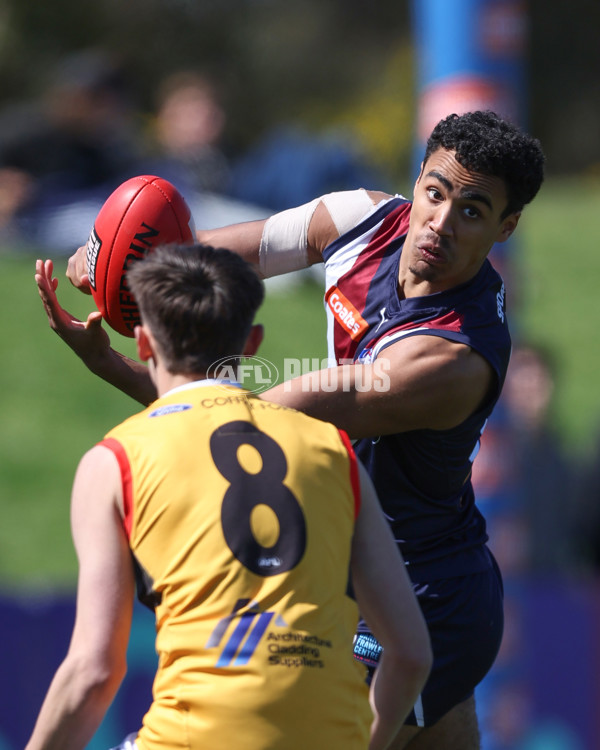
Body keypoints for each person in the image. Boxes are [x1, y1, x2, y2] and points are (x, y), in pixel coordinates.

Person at [35, 110, 546, 749]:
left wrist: (109, 361)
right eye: (435, 194)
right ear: (416, 182)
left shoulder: (443, 361)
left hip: (420, 599)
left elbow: (236, 427)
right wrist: (119, 261)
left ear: (506, 226)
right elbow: (211, 261)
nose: (439, 223)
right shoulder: (360, 218)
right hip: (362, 570)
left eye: (472, 211)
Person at [27, 244, 431, 750]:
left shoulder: (115, 461)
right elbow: (412, 653)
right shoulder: (334, 450)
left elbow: (93, 671)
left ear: (146, 344)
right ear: (252, 342)